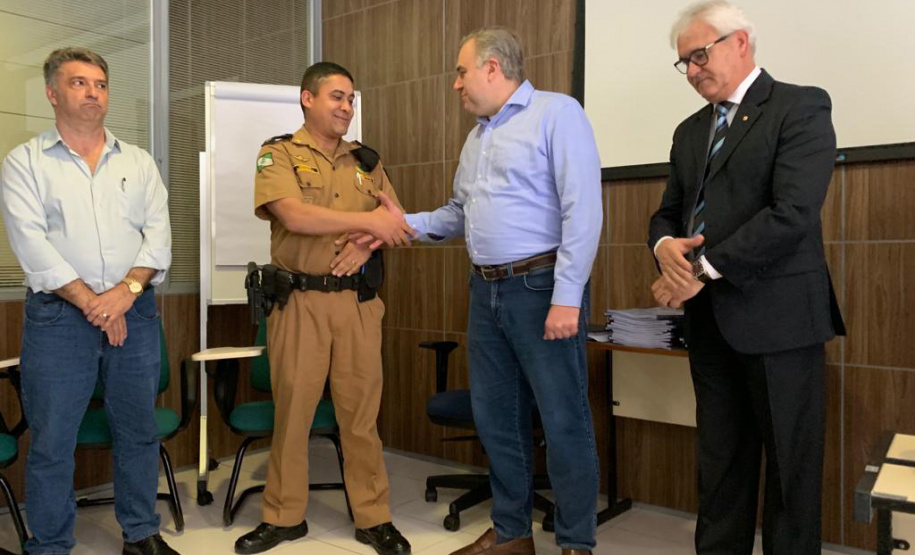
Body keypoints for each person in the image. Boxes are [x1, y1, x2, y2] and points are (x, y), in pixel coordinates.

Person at [396, 27, 603, 555]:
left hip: (540, 287)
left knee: (563, 420)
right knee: (498, 419)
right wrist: (401, 224)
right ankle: (512, 536)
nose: (456, 84)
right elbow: (458, 215)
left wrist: (566, 296)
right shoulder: (478, 136)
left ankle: (576, 544)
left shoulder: (558, 113)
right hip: (485, 291)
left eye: (462, 71)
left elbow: (584, 210)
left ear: (493, 68)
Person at [648, 2, 846, 553]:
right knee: (720, 465)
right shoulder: (690, 132)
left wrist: (701, 271)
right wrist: (665, 246)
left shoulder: (800, 106)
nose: (691, 70)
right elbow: (668, 212)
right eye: (682, 62)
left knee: (790, 469)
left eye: (699, 55)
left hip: (781, 321)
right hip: (710, 324)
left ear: (741, 43)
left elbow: (793, 213)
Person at [0, 48, 176, 555]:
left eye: (99, 83)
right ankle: (51, 545)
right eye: (78, 83)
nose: (92, 92)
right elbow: (33, 246)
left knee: (139, 430)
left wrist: (123, 295)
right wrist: (95, 304)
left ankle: (141, 534)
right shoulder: (24, 163)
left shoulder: (138, 162)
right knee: (54, 440)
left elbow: (158, 239)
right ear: (53, 94)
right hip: (59, 320)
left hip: (134, 314)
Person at [233, 61, 413, 555]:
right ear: (307, 99)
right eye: (336, 96)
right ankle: (284, 517)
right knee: (293, 414)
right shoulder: (279, 153)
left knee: (360, 417)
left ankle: (373, 518)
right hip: (300, 303)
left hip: (356, 304)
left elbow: (396, 223)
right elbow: (293, 213)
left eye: (351, 99)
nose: (346, 107)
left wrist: (367, 241)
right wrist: (368, 223)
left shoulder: (366, 161)